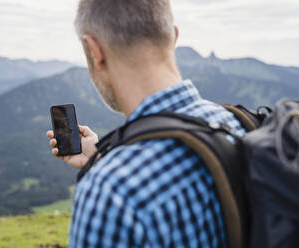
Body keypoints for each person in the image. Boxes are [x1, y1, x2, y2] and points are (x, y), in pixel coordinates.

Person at [47, 0, 246, 247]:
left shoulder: (110, 192)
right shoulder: (240, 124)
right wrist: (100, 158)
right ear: (173, 37)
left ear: (95, 52)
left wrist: (105, 170)